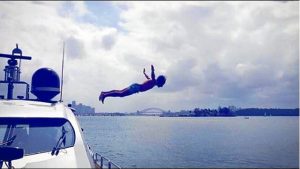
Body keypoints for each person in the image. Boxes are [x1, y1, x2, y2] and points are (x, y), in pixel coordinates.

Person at [99, 65, 166, 104]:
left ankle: (104, 93)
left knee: (120, 92)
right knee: (120, 94)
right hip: (136, 88)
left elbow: (148, 77)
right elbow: (152, 76)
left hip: (135, 87)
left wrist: (144, 73)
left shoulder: (153, 82)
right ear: (160, 82)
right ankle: (105, 95)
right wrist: (152, 70)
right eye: (162, 84)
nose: (162, 86)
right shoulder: (154, 82)